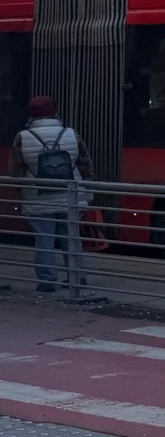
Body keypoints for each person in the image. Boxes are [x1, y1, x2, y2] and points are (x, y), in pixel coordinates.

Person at [9, 96, 95, 293]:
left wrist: (23, 189)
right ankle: (77, 278)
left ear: (31, 115)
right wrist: (87, 189)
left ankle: (47, 281)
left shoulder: (22, 136)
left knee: (44, 238)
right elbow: (85, 163)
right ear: (55, 112)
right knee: (71, 237)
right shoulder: (71, 134)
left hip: (37, 197)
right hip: (71, 195)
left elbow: (15, 171)